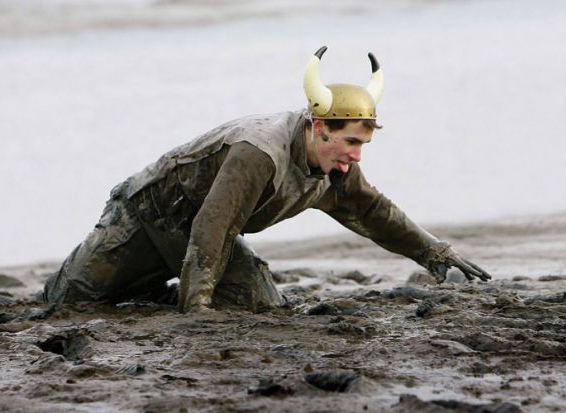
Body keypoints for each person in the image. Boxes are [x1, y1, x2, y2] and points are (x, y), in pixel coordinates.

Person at [42, 46, 491, 313]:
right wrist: (196, 309)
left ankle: (153, 293)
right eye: (350, 143)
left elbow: (373, 212)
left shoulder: (336, 168)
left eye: (363, 145)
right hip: (149, 216)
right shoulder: (259, 152)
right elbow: (212, 227)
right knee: (65, 303)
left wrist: (434, 252)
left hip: (199, 232)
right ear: (320, 129)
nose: (355, 156)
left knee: (260, 303)